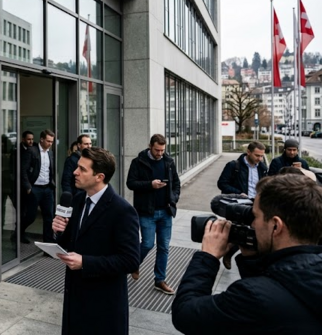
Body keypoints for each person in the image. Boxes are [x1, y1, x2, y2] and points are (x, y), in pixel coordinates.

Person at [171, 174, 322, 334]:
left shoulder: (253, 296)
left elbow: (185, 313)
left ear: (276, 226)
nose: (252, 224)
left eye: (255, 216)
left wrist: (207, 257)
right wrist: (251, 260)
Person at [52, 147, 140, 335]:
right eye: (77, 167)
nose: (75, 172)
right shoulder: (78, 200)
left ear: (99, 177)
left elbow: (130, 261)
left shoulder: (122, 211)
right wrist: (59, 231)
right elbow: (71, 243)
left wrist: (85, 262)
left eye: (82, 169)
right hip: (75, 300)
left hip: (103, 306)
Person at [126, 134, 181, 294]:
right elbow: (131, 183)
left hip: (166, 211)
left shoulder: (169, 162)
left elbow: (176, 183)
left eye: (162, 150)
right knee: (147, 244)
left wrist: (174, 198)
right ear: (150, 146)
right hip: (146, 212)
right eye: (157, 150)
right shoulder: (138, 162)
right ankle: (134, 263)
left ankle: (160, 280)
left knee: (164, 247)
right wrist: (150, 185)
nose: (160, 153)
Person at [216, 141, 268, 269]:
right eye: (257, 155)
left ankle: (231, 252)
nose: (260, 159)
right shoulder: (233, 165)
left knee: (254, 231)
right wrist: (239, 194)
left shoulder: (262, 167)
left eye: (262, 156)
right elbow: (222, 183)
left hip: (255, 204)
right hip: (239, 204)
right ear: (248, 152)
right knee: (240, 231)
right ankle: (230, 252)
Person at [21, 130, 56, 244]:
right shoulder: (32, 151)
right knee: (31, 216)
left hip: (47, 188)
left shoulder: (50, 153)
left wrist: (51, 184)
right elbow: (23, 170)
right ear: (41, 139)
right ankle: (19, 231)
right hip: (35, 188)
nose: (50, 144)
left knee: (49, 216)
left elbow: (50, 170)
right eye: (48, 141)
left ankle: (48, 242)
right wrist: (28, 187)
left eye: (52, 141)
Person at [61, 134, 91, 198]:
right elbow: (66, 180)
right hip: (76, 195)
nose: (89, 146)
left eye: (90, 144)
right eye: (86, 144)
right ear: (79, 145)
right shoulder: (71, 160)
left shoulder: (90, 159)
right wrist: (69, 197)